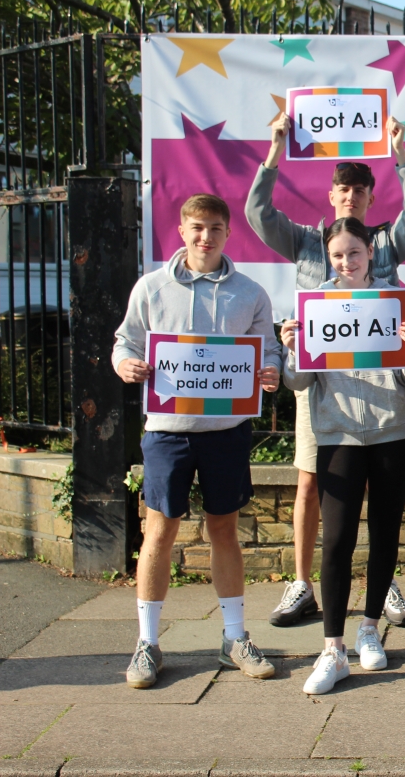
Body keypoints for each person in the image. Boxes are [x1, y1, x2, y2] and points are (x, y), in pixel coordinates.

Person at [246, 115, 405, 629]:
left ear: (371, 197)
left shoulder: (387, 242)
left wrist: (401, 154)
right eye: (342, 188)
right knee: (311, 487)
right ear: (331, 196)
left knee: (381, 509)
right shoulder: (305, 242)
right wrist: (274, 149)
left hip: (382, 398)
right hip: (324, 394)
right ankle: (302, 585)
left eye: (359, 189)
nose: (350, 196)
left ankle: (382, 583)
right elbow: (258, 214)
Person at [114, 193, 283, 688]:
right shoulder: (150, 288)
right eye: (197, 228)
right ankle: (147, 643)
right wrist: (125, 364)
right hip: (166, 432)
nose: (205, 237)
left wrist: (268, 371)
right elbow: (126, 341)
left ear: (228, 233)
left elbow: (266, 350)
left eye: (214, 228)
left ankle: (234, 638)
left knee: (224, 530)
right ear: (182, 231)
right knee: (159, 533)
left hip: (225, 432)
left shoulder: (250, 293)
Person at [279, 217, 405, 695]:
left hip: (393, 432)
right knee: (337, 540)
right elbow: (298, 383)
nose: (347, 262)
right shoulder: (312, 306)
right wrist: (293, 349)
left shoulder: (395, 301)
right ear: (329, 257)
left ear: (370, 252)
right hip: (338, 434)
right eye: (338, 255)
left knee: (385, 532)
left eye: (355, 253)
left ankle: (369, 628)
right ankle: (333, 648)